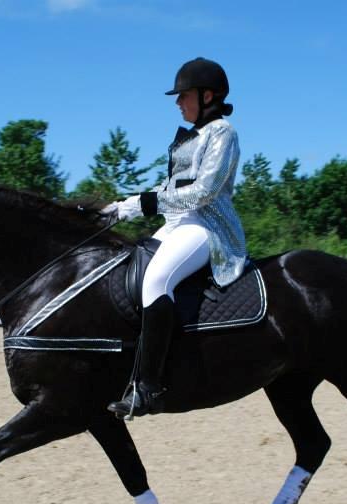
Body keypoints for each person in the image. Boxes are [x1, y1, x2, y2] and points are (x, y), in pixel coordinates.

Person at [103, 57, 248, 418]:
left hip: (209, 227)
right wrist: (123, 207)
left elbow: (204, 192)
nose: (178, 102)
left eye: (183, 95)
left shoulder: (223, 133)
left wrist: (147, 203)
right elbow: (169, 188)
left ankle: (148, 388)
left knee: (156, 280)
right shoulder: (189, 136)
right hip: (177, 224)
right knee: (131, 274)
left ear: (208, 95)